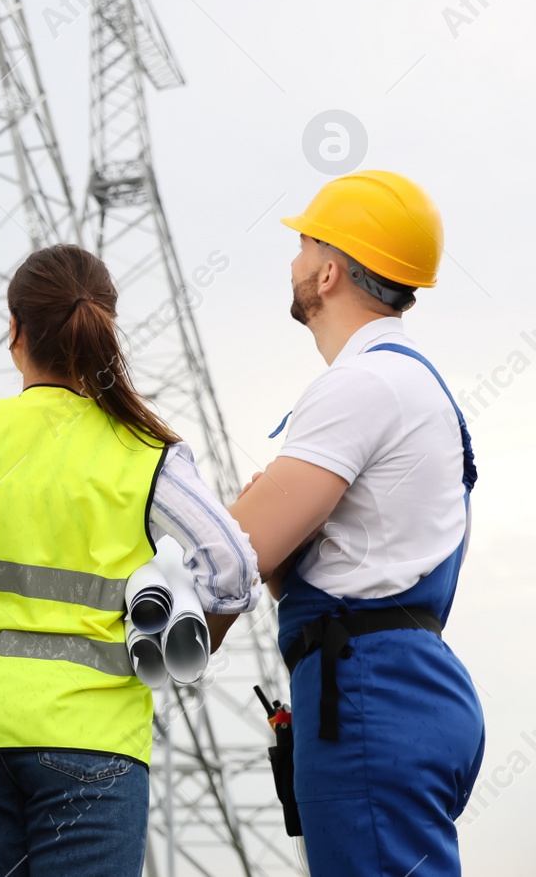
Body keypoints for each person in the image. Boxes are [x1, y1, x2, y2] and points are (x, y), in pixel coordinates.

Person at [0, 244, 260, 877]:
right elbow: (231, 566)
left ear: (15, 331)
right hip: (91, 738)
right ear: (103, 328)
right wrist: (178, 640)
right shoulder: (143, 451)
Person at [222, 170, 482, 876]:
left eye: (303, 246)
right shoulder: (409, 383)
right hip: (401, 684)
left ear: (330, 271)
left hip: (369, 695)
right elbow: (340, 569)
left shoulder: (361, 385)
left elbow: (232, 554)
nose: (293, 262)